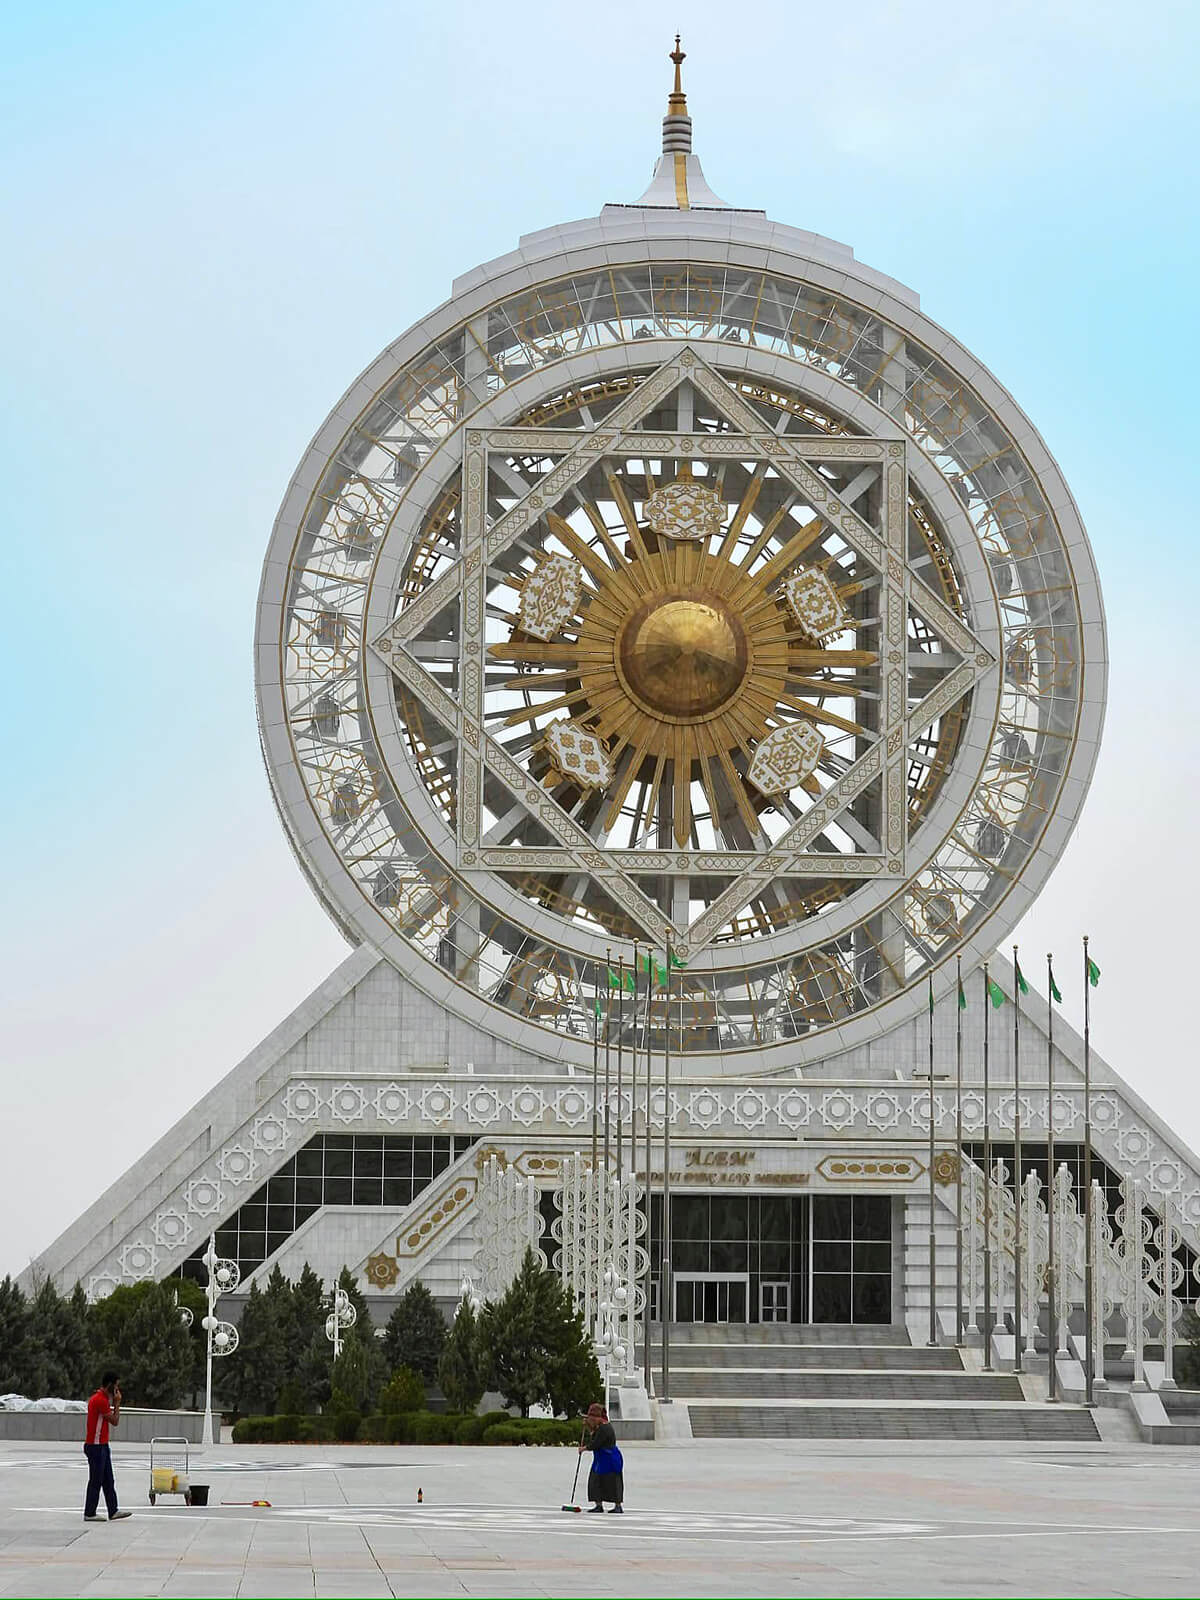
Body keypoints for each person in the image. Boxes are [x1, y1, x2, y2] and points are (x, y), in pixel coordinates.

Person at [84, 1372, 131, 1522]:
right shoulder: (100, 1400)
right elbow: (115, 1421)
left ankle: (113, 1510)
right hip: (96, 1446)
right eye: (116, 1385)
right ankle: (89, 1512)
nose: (117, 1389)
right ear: (110, 1385)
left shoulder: (101, 1398)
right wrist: (117, 1403)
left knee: (108, 1480)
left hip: (102, 1445)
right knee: (96, 1480)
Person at [580, 1401, 623, 1514]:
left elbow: (596, 1443)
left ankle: (617, 1505)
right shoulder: (601, 1427)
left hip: (609, 1459)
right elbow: (594, 1437)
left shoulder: (605, 1428)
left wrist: (584, 1448)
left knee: (613, 1481)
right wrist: (589, 1428)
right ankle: (598, 1505)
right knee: (595, 1481)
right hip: (600, 1459)